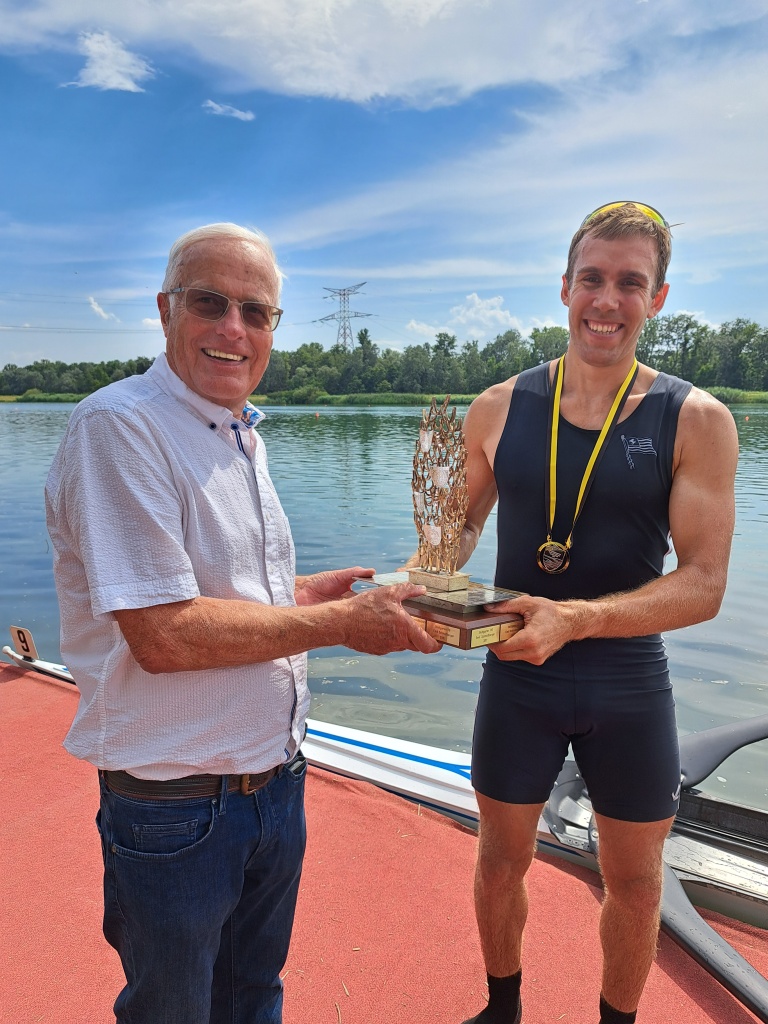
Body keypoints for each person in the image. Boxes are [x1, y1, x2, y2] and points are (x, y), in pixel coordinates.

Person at [44, 222, 440, 1024]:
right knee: (176, 1012)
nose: (234, 330)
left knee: (254, 997)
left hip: (273, 784)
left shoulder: (236, 432)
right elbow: (164, 634)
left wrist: (305, 592)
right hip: (176, 805)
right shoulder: (121, 427)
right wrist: (338, 625)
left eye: (256, 313)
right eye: (210, 303)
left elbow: (216, 589)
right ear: (165, 310)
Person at [455, 202, 738, 1024]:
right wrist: (419, 585)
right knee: (502, 862)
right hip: (516, 676)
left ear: (658, 297)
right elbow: (454, 537)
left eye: (629, 283)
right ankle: (501, 1010)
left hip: (626, 682)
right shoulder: (498, 407)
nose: (606, 300)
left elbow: (706, 583)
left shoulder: (696, 420)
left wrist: (575, 619)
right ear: (564, 286)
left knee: (637, 880)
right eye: (592, 279)